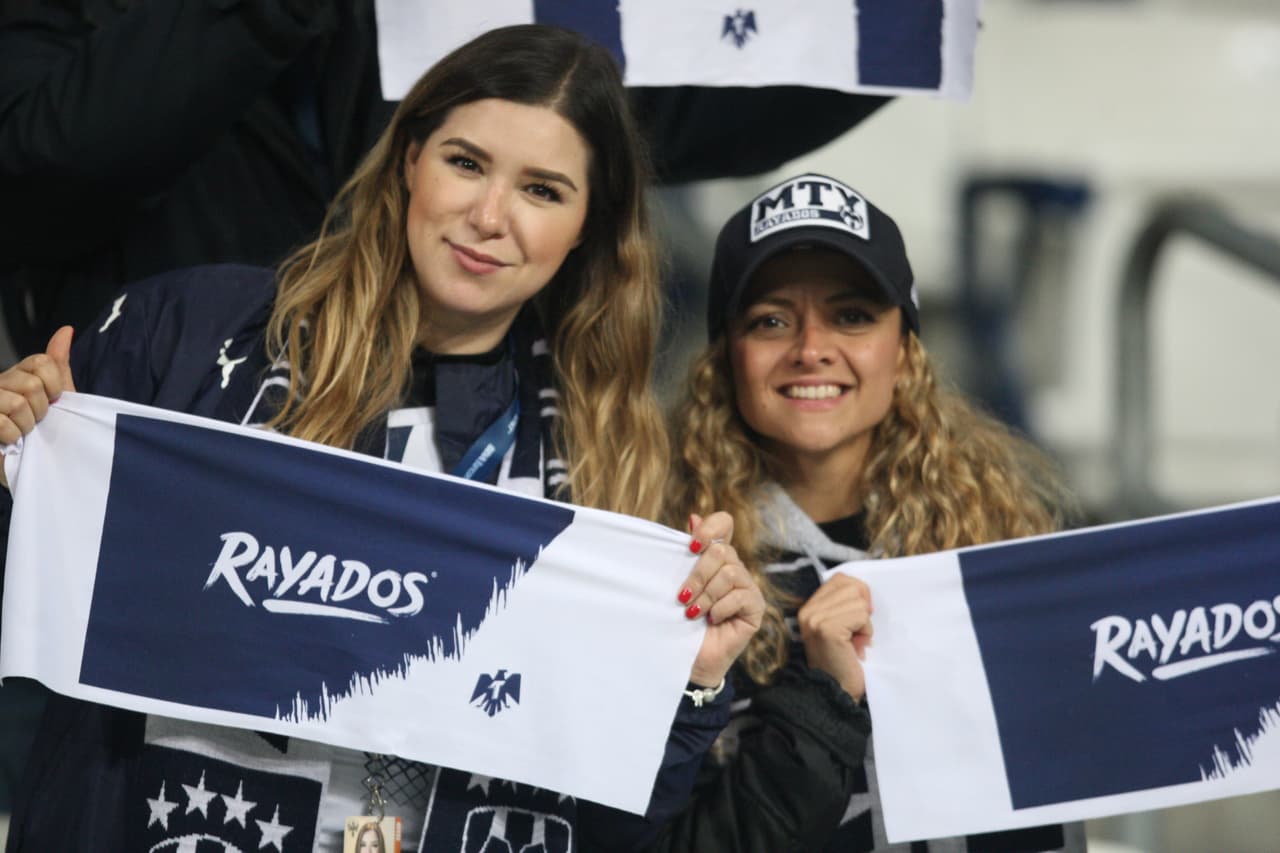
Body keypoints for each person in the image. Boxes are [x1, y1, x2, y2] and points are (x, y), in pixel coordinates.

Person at [0, 25, 764, 852]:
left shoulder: (610, 457)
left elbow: (617, 817)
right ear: (408, 160)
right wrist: (16, 461)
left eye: (543, 190)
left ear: (588, 225)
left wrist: (694, 680)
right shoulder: (189, 330)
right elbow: (38, 615)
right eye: (465, 162)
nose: (488, 216)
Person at [652, 173, 1087, 851]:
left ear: (904, 351)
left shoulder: (1006, 547)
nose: (811, 348)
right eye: (771, 319)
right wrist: (820, 692)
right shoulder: (676, 566)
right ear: (723, 357)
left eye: (852, 315)